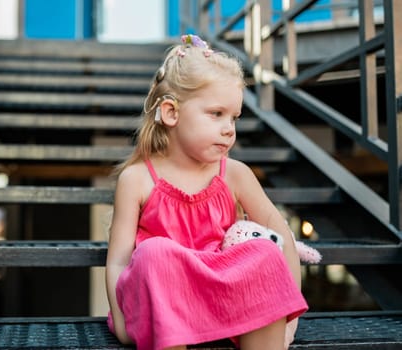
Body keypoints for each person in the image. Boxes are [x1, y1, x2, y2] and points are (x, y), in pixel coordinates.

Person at [105, 34, 308, 350]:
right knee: (154, 252)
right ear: (171, 113)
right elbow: (118, 261)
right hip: (163, 305)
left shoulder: (235, 174)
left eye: (234, 117)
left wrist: (287, 315)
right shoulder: (138, 178)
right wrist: (120, 322)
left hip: (223, 301)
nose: (230, 128)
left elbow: (283, 239)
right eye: (216, 114)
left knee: (265, 250)